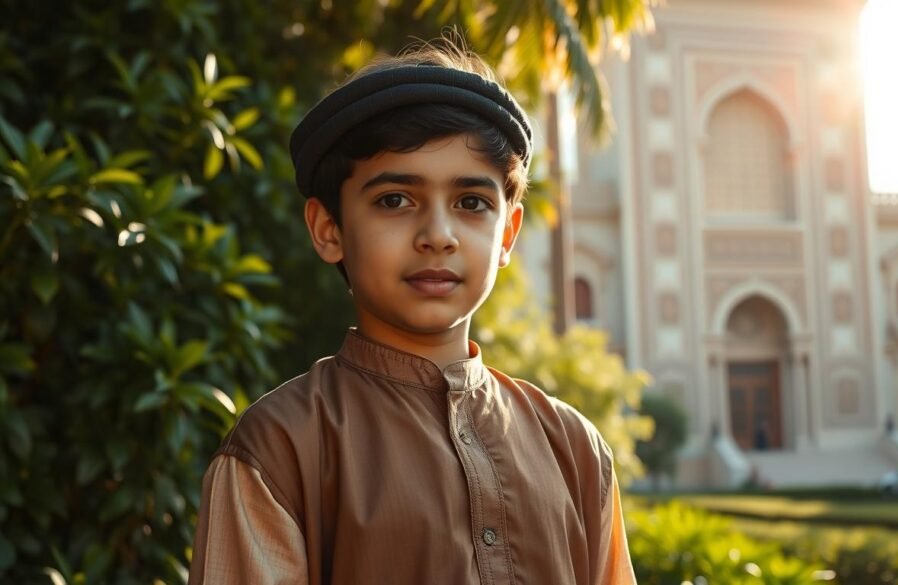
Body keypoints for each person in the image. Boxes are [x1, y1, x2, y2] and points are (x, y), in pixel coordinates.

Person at [187, 36, 636, 585]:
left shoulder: (575, 449)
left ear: (507, 235)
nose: (437, 236)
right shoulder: (280, 450)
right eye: (395, 200)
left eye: (471, 203)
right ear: (329, 229)